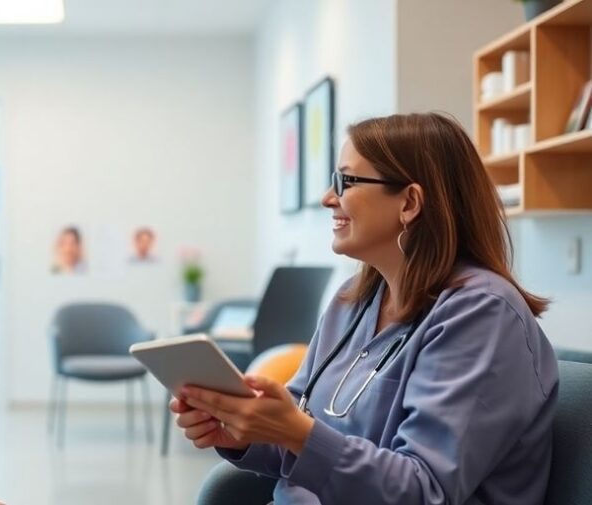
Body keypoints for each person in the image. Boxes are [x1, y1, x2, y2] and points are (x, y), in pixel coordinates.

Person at [171, 113, 558, 504]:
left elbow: (423, 492)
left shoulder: (481, 314)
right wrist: (246, 430)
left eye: (346, 180)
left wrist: (294, 432)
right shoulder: (351, 300)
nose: (327, 198)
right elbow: (303, 440)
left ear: (409, 202)